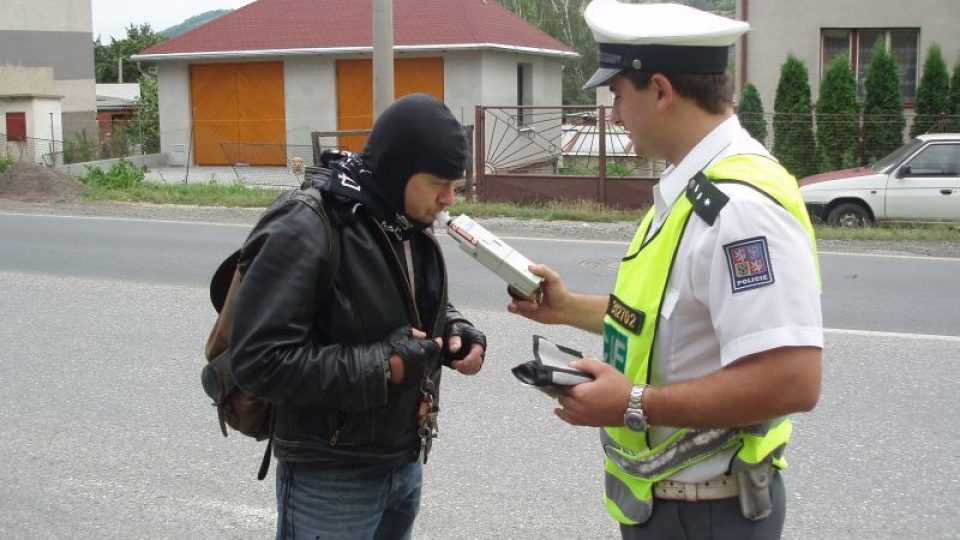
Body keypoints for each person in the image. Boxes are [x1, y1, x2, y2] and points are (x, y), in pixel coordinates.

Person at [508, 2, 823, 538]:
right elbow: (661, 321)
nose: (614, 115)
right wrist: (566, 309)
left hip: (706, 514)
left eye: (616, 96)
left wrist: (632, 403)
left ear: (659, 90)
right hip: (674, 506)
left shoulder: (740, 209)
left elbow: (792, 379)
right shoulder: (691, 187)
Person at [229, 93, 487, 540]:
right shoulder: (309, 224)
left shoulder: (402, 219)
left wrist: (453, 329)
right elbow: (258, 360)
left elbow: (401, 299)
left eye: (456, 185)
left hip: (402, 460)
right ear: (397, 169)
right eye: (437, 183)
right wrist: (386, 367)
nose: (448, 199)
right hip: (329, 479)